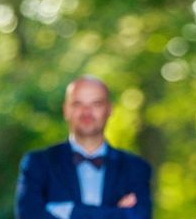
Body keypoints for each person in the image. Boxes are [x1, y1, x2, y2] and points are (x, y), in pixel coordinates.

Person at [15, 76, 152, 219]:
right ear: (66, 110)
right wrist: (116, 213)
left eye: (96, 104)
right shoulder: (37, 163)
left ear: (109, 110)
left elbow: (139, 216)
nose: (86, 112)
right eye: (77, 104)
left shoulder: (136, 167)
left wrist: (69, 211)